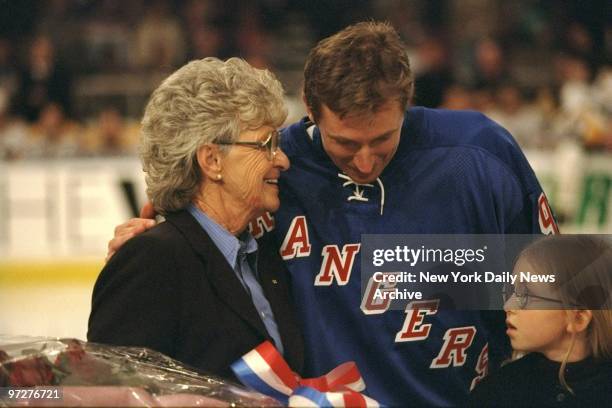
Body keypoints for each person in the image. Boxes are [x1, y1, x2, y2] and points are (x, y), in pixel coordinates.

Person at [107, 22, 557, 405]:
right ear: (309, 107)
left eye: (382, 140)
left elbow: (562, 291)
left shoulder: (479, 154)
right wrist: (145, 239)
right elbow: (193, 235)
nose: (364, 162)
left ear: (408, 101)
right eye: (344, 143)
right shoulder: (270, 166)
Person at [88, 57, 303, 381]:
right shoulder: (151, 260)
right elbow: (113, 394)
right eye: (267, 144)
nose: (283, 160)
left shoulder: (263, 256)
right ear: (212, 159)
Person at [470, 235, 612, 406]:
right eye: (511, 292)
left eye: (527, 295)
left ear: (578, 317)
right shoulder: (497, 392)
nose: (508, 306)